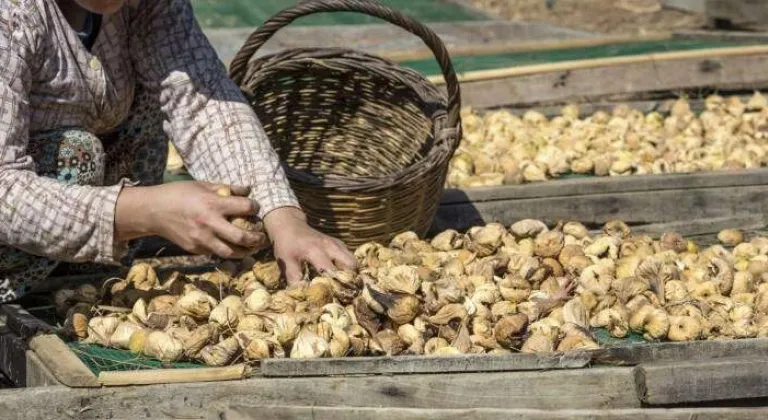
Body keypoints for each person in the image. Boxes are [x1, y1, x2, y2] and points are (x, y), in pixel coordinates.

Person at [0, 0, 357, 303]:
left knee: (149, 103)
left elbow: (200, 101)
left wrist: (285, 219)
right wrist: (148, 210)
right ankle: (21, 299)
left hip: (83, 220)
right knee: (76, 155)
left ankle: (86, 287)